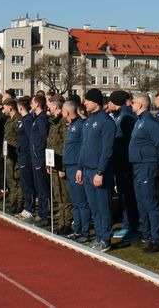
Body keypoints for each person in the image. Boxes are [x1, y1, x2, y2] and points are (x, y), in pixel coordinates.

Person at [77, 88, 116, 252]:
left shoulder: (106, 121)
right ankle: (99, 236)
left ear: (95, 102)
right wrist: (79, 167)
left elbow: (108, 149)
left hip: (98, 172)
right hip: (86, 170)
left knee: (103, 206)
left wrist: (100, 172)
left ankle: (106, 239)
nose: (84, 103)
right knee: (93, 206)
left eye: (87, 100)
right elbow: (83, 146)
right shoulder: (87, 121)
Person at [129, 93, 159, 253]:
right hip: (138, 166)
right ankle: (145, 234)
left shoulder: (149, 122)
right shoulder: (140, 121)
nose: (131, 104)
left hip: (147, 166)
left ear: (142, 104)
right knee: (141, 203)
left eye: (134, 102)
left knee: (150, 203)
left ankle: (156, 239)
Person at [107, 90, 139, 242]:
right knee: (124, 195)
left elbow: (127, 141)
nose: (108, 104)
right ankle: (128, 224)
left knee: (128, 196)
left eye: (110, 101)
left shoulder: (126, 117)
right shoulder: (121, 115)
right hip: (121, 162)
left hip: (125, 162)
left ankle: (131, 226)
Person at [62, 100, 90, 243]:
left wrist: (80, 167)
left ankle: (84, 232)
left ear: (67, 112)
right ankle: (77, 230)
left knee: (81, 201)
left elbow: (83, 148)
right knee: (75, 201)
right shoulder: (72, 125)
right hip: (70, 166)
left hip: (76, 167)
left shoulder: (80, 125)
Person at [47, 95, 72, 234]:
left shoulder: (63, 122)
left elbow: (64, 145)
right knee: (58, 194)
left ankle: (66, 222)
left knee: (65, 195)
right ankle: (61, 221)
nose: (48, 107)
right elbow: (50, 142)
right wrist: (48, 163)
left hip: (60, 163)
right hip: (53, 162)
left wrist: (62, 167)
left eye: (50, 104)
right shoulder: (54, 121)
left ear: (56, 106)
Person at [29, 95, 51, 227]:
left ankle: (45, 214)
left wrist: (39, 153)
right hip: (35, 157)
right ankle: (41, 212)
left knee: (43, 188)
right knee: (39, 187)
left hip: (40, 158)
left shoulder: (42, 119)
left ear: (37, 104)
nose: (31, 105)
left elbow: (44, 138)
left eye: (32, 102)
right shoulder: (36, 119)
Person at [15, 97, 36, 222]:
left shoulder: (28, 120)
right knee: (24, 182)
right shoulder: (24, 120)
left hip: (26, 155)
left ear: (20, 107)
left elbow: (30, 138)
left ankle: (30, 208)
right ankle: (27, 206)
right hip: (22, 154)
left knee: (28, 183)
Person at [2, 98, 23, 212]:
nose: (3, 110)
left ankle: (19, 201)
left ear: (10, 108)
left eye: (4, 107)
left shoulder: (18, 120)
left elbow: (19, 137)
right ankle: (13, 200)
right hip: (8, 153)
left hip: (15, 153)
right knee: (10, 178)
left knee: (16, 178)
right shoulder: (9, 120)